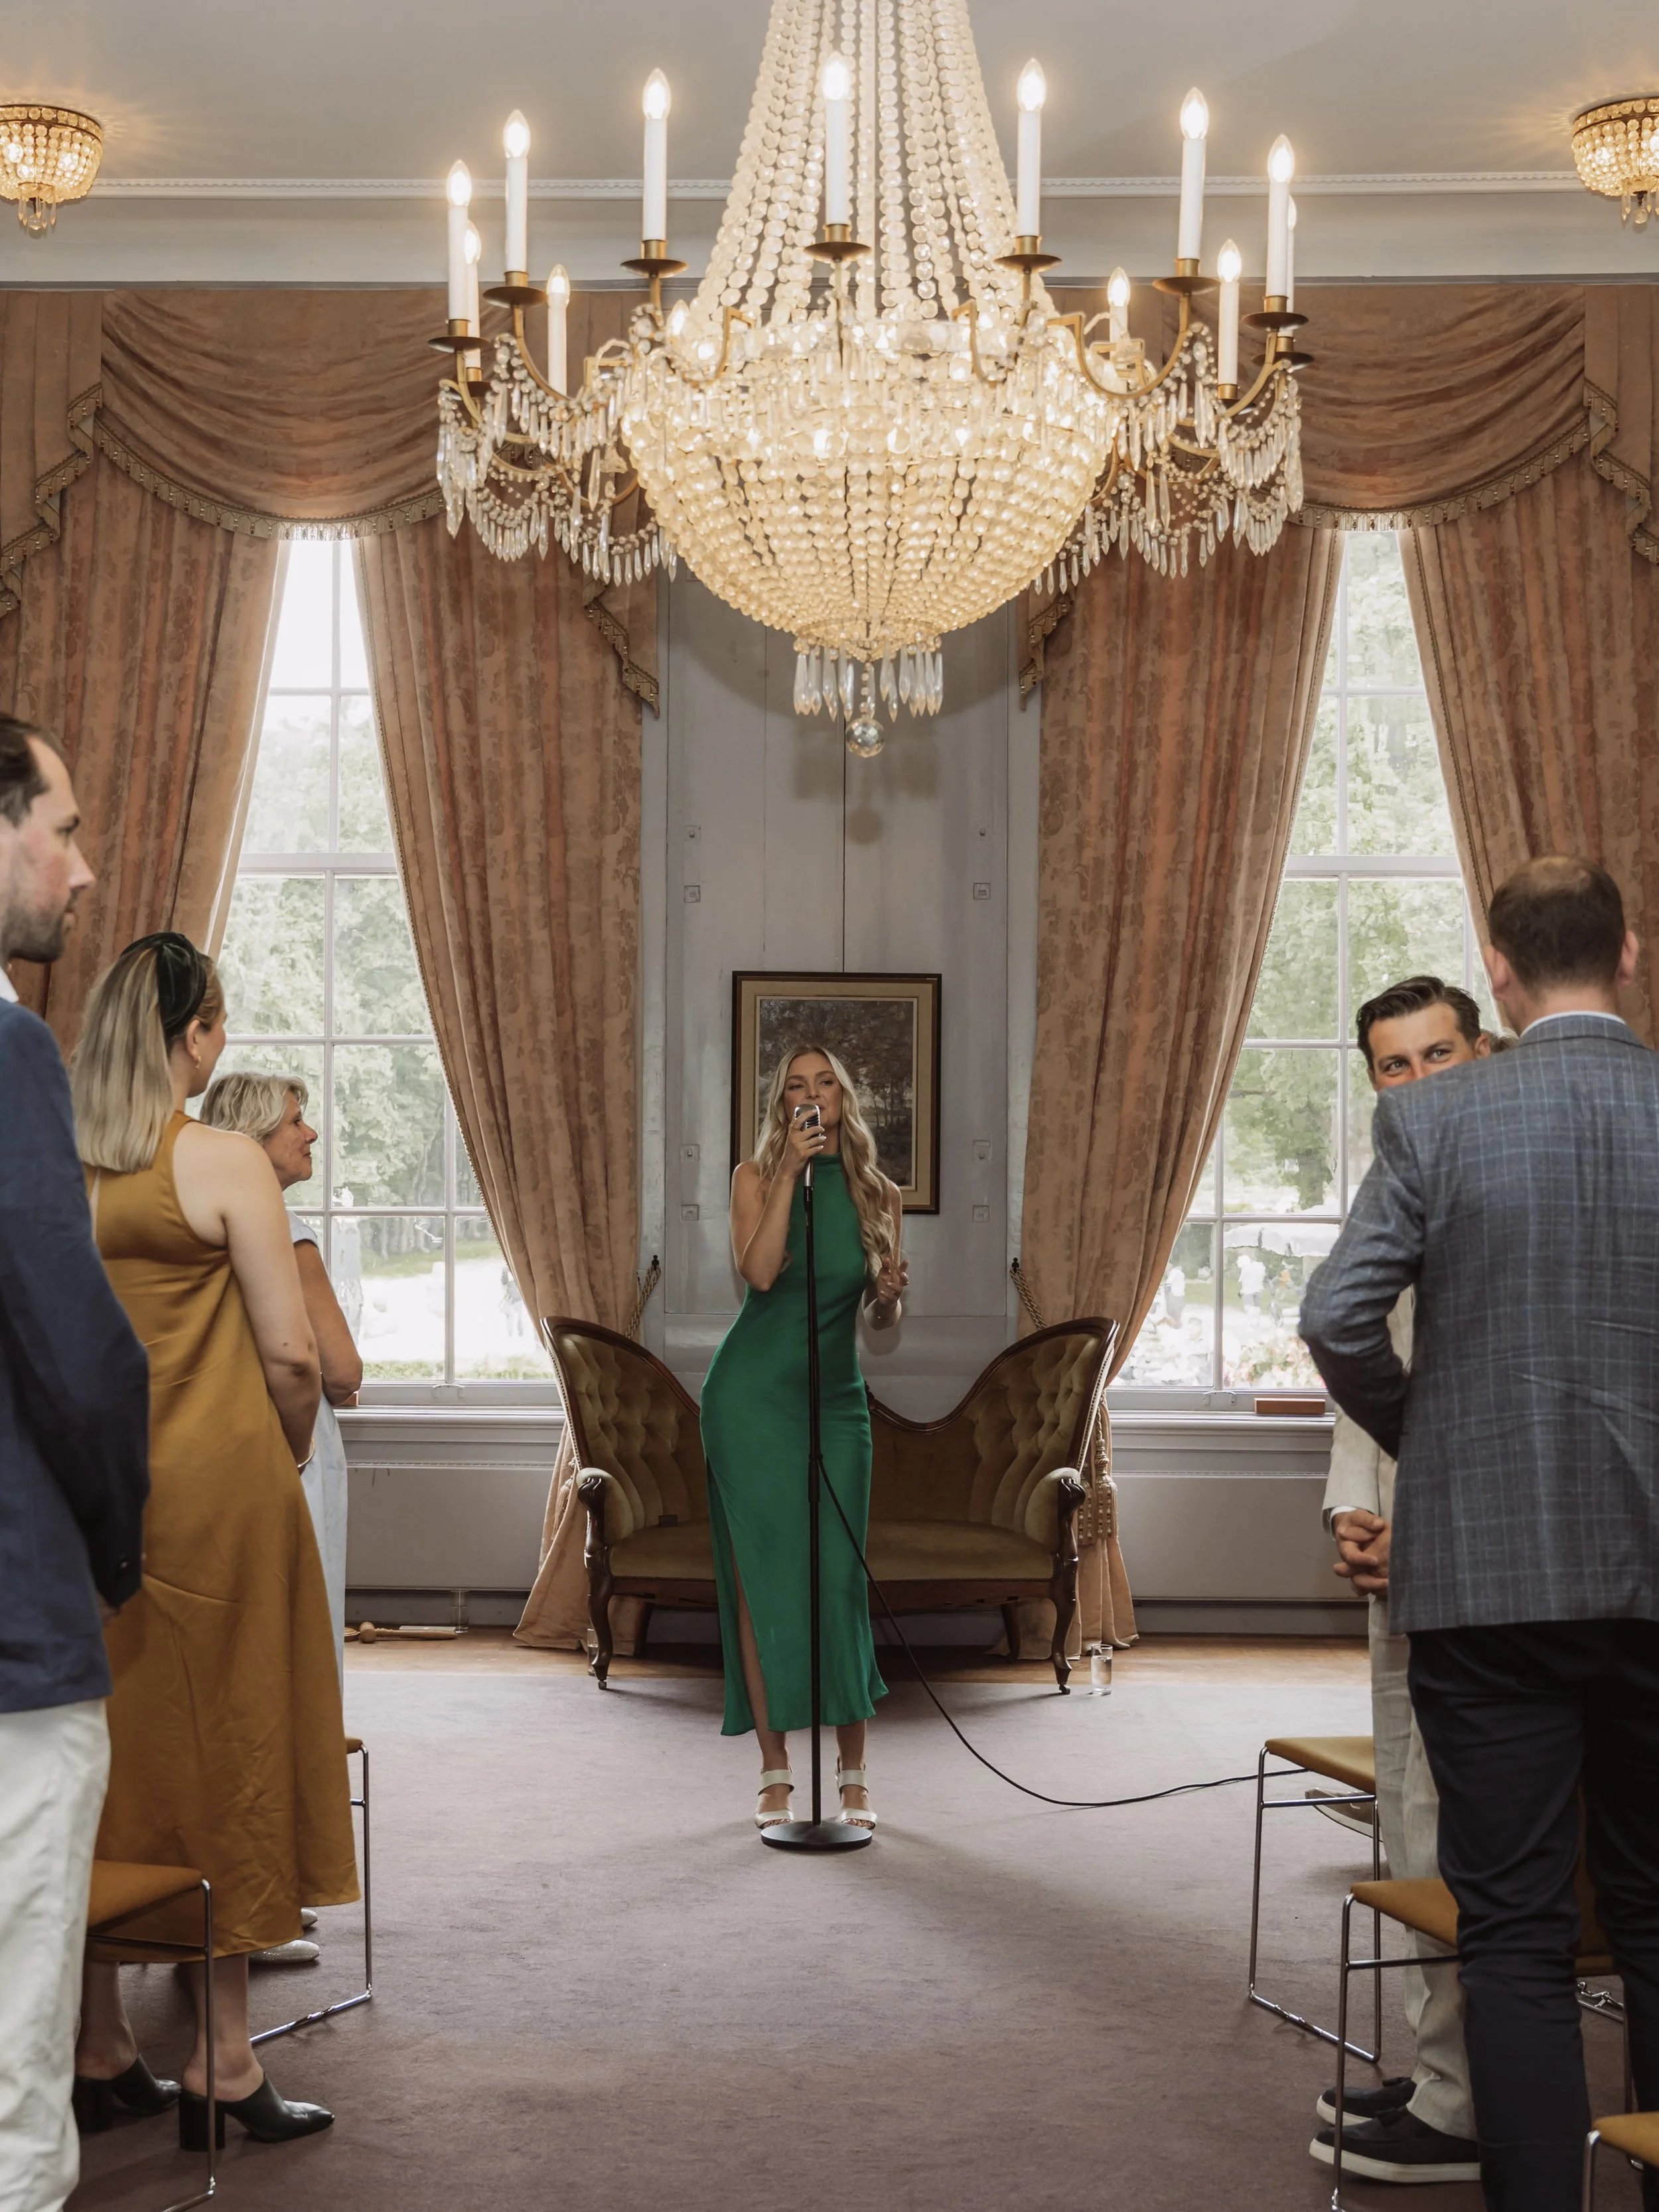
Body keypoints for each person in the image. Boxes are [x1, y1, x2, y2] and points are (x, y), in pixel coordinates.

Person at [1301, 857, 1659, 2212]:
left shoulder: (1435, 1125)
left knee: (1508, 1930)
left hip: (1489, 1583)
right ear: (1625, 952)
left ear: (1496, 973)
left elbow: (1338, 1319)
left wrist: (1427, 1444)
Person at [70, 934, 359, 2151]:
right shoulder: (223, 1159)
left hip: (96, 1492)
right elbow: (296, 1355)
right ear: (191, 1037)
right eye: (220, 1025)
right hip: (225, 1489)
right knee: (235, 1739)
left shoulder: (61, 1159)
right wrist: (285, 1449)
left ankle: (96, 2041)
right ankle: (224, 2059)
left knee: (113, 1750)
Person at [0, 720, 153, 2212]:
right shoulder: (6, 1047)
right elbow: (76, 1352)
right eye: (62, 823)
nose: (83, 863)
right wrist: (116, 1543)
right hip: (15, 1628)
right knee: (11, 2099)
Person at [1309, 976, 1489, 2186]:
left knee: (1461, 1830)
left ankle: (1468, 2105)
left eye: (1438, 1056)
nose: (1418, 1083)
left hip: (1479, 1564)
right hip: (1399, 1564)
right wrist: (1357, 1511)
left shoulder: (1513, 1196)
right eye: (1394, 1065)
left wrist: (1419, 1514)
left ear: (1484, 1050)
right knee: (1409, 1819)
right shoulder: (1399, 1189)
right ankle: (1441, 2072)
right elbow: (1357, 1364)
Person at [701, 1047, 908, 1832]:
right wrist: (788, 1173)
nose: (811, 1096)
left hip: (838, 1402)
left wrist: (888, 1299)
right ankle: (775, 1771)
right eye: (796, 1086)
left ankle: (853, 1773)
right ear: (781, 1105)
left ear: (845, 1100)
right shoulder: (753, 1179)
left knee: (840, 1581)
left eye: (825, 1084)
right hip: (752, 1401)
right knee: (766, 1581)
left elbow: (879, 1321)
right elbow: (758, 1274)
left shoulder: (879, 1194)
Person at [200, 1072, 360, 1670]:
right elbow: (340, 1369)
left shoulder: (200, 1224)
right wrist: (336, 1387)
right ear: (254, 1137)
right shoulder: (287, 1234)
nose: (310, 1132)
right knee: (301, 1617)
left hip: (217, 1436)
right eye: (295, 1121)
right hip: (293, 1447)